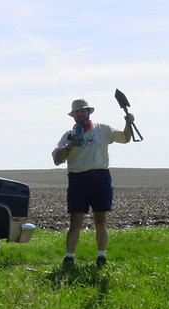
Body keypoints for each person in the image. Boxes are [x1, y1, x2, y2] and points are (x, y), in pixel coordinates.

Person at [52, 98, 134, 268]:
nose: (80, 114)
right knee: (75, 222)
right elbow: (57, 160)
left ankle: (102, 257)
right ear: (73, 115)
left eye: (83, 111)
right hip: (77, 179)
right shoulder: (68, 135)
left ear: (88, 112)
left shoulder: (102, 129)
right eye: (77, 112)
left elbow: (125, 138)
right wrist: (70, 145)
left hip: (100, 177)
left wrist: (129, 123)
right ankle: (69, 258)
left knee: (100, 220)